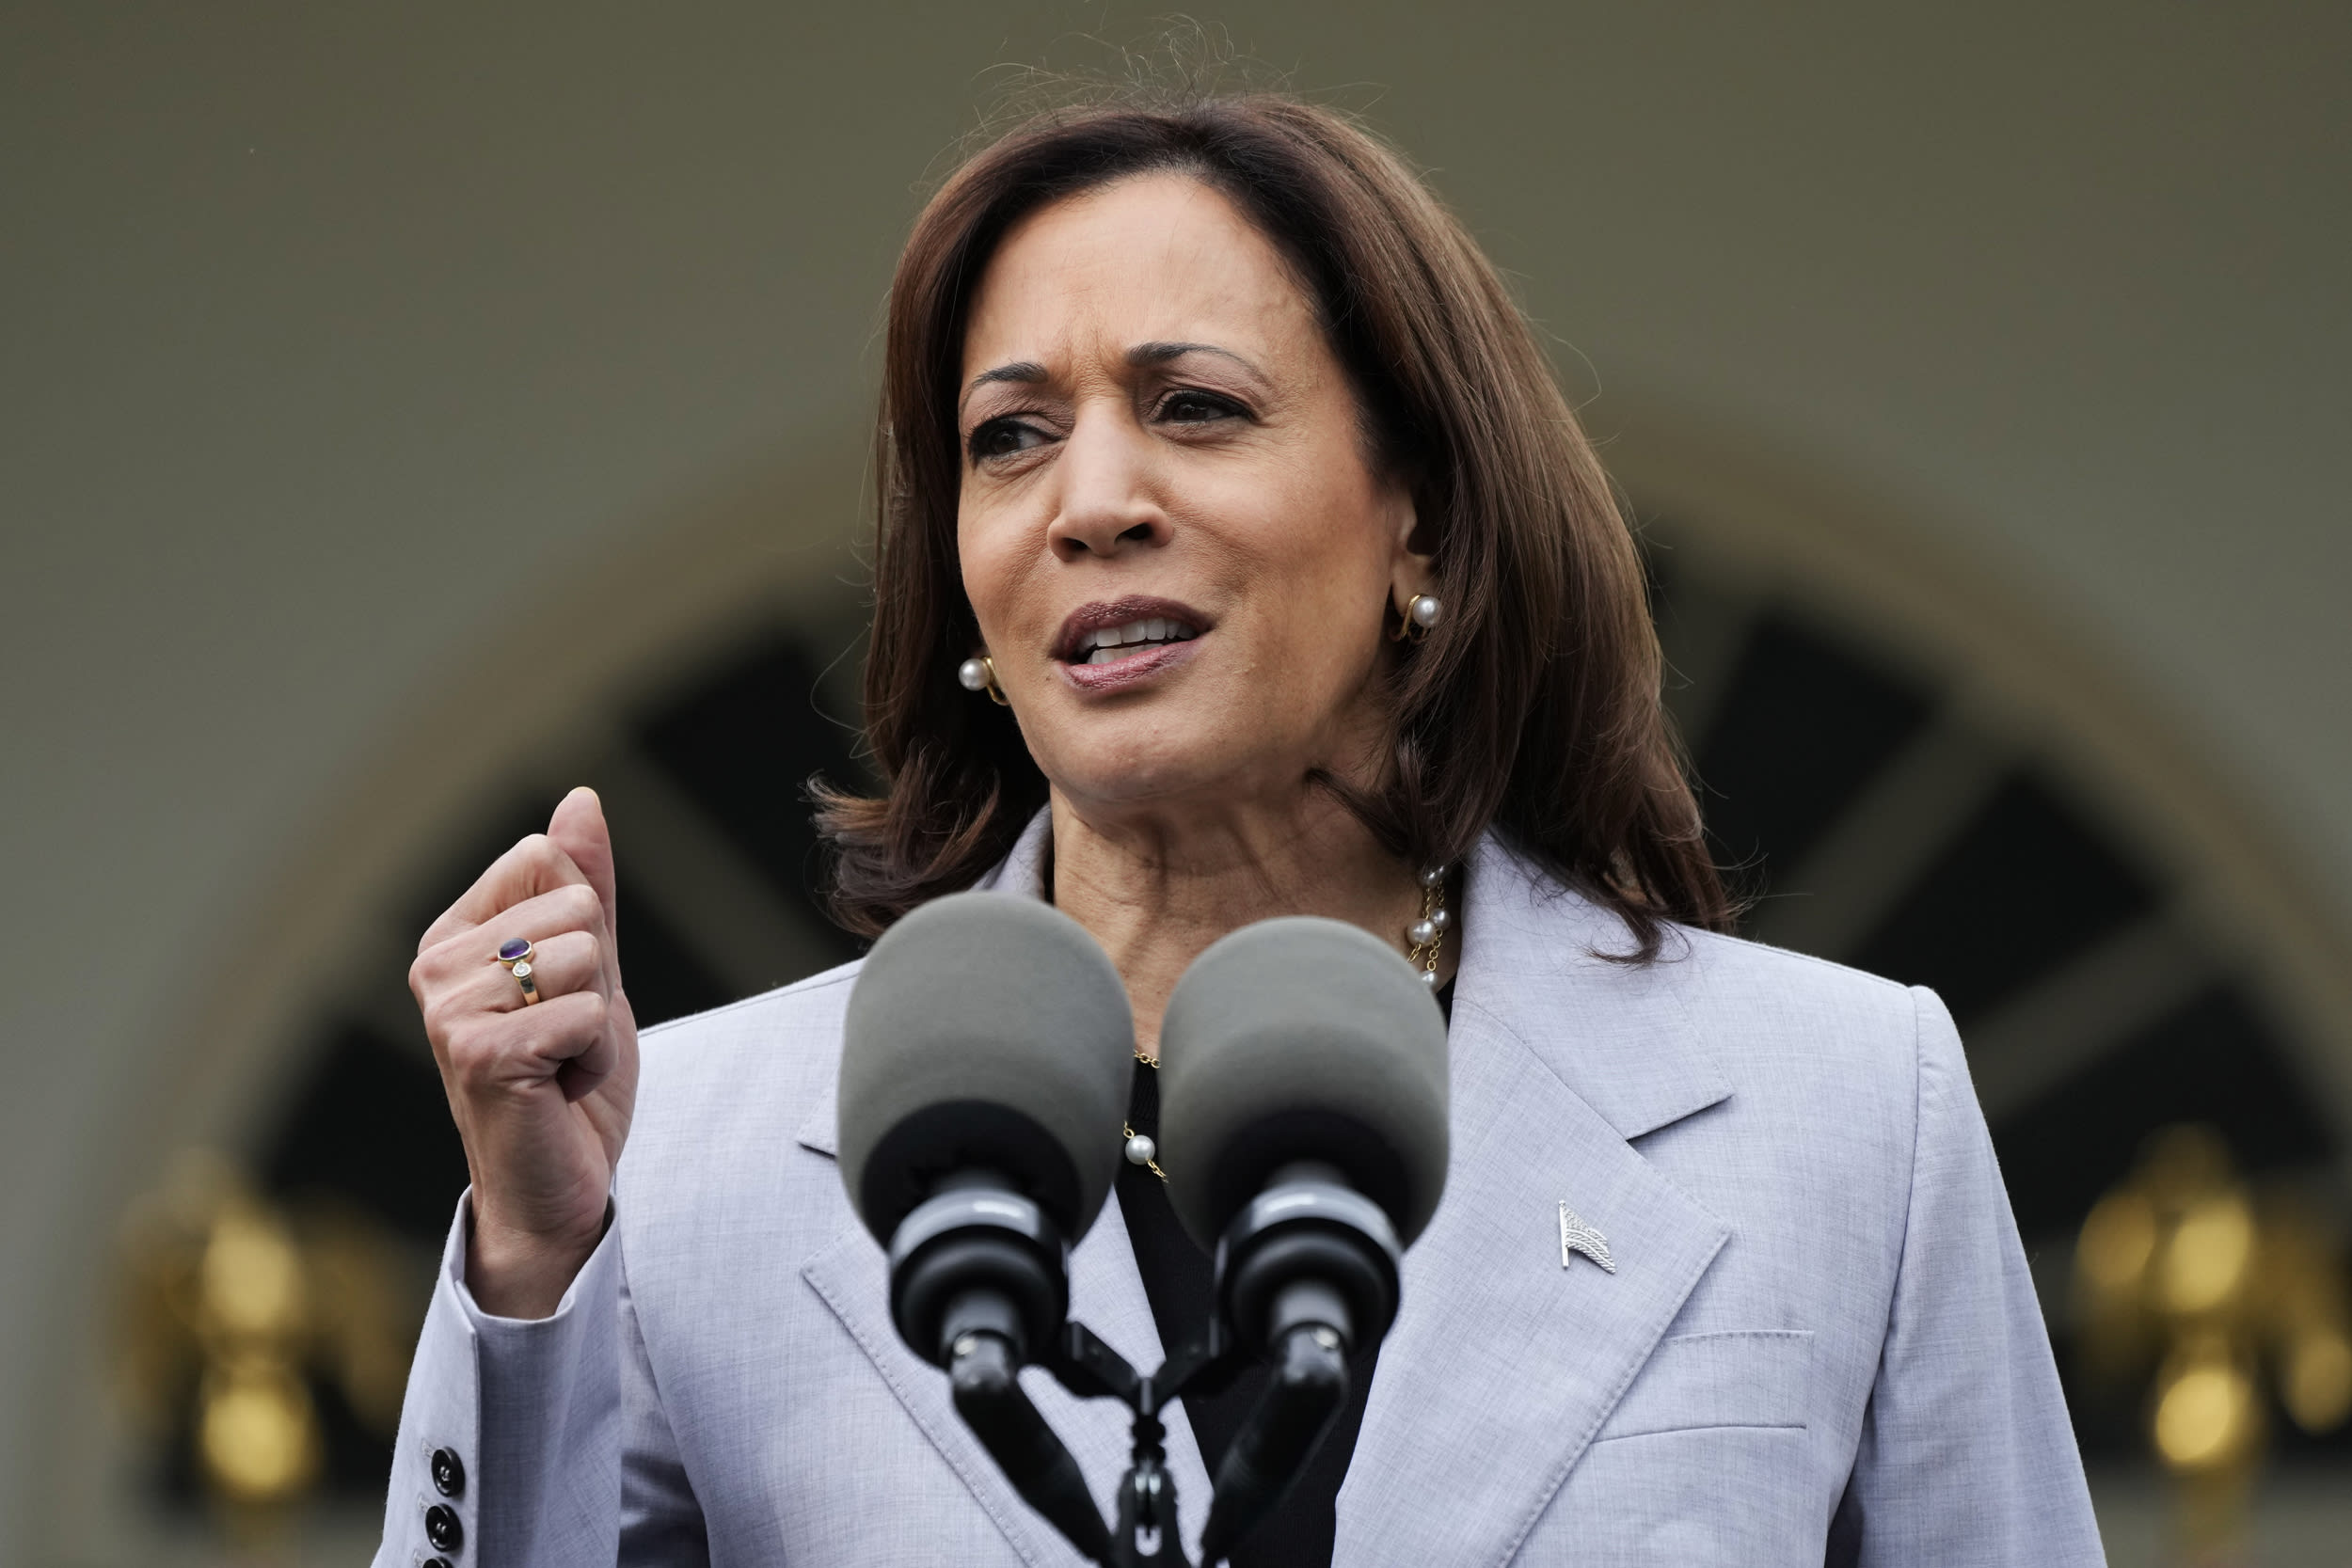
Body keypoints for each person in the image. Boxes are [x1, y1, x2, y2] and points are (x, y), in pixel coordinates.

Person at [378, 87, 2104, 1567]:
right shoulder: (678, 1161)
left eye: (1194, 406)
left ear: (1419, 519)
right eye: (1010, 438)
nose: (1094, 502)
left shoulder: (1846, 1111)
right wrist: (533, 1269)